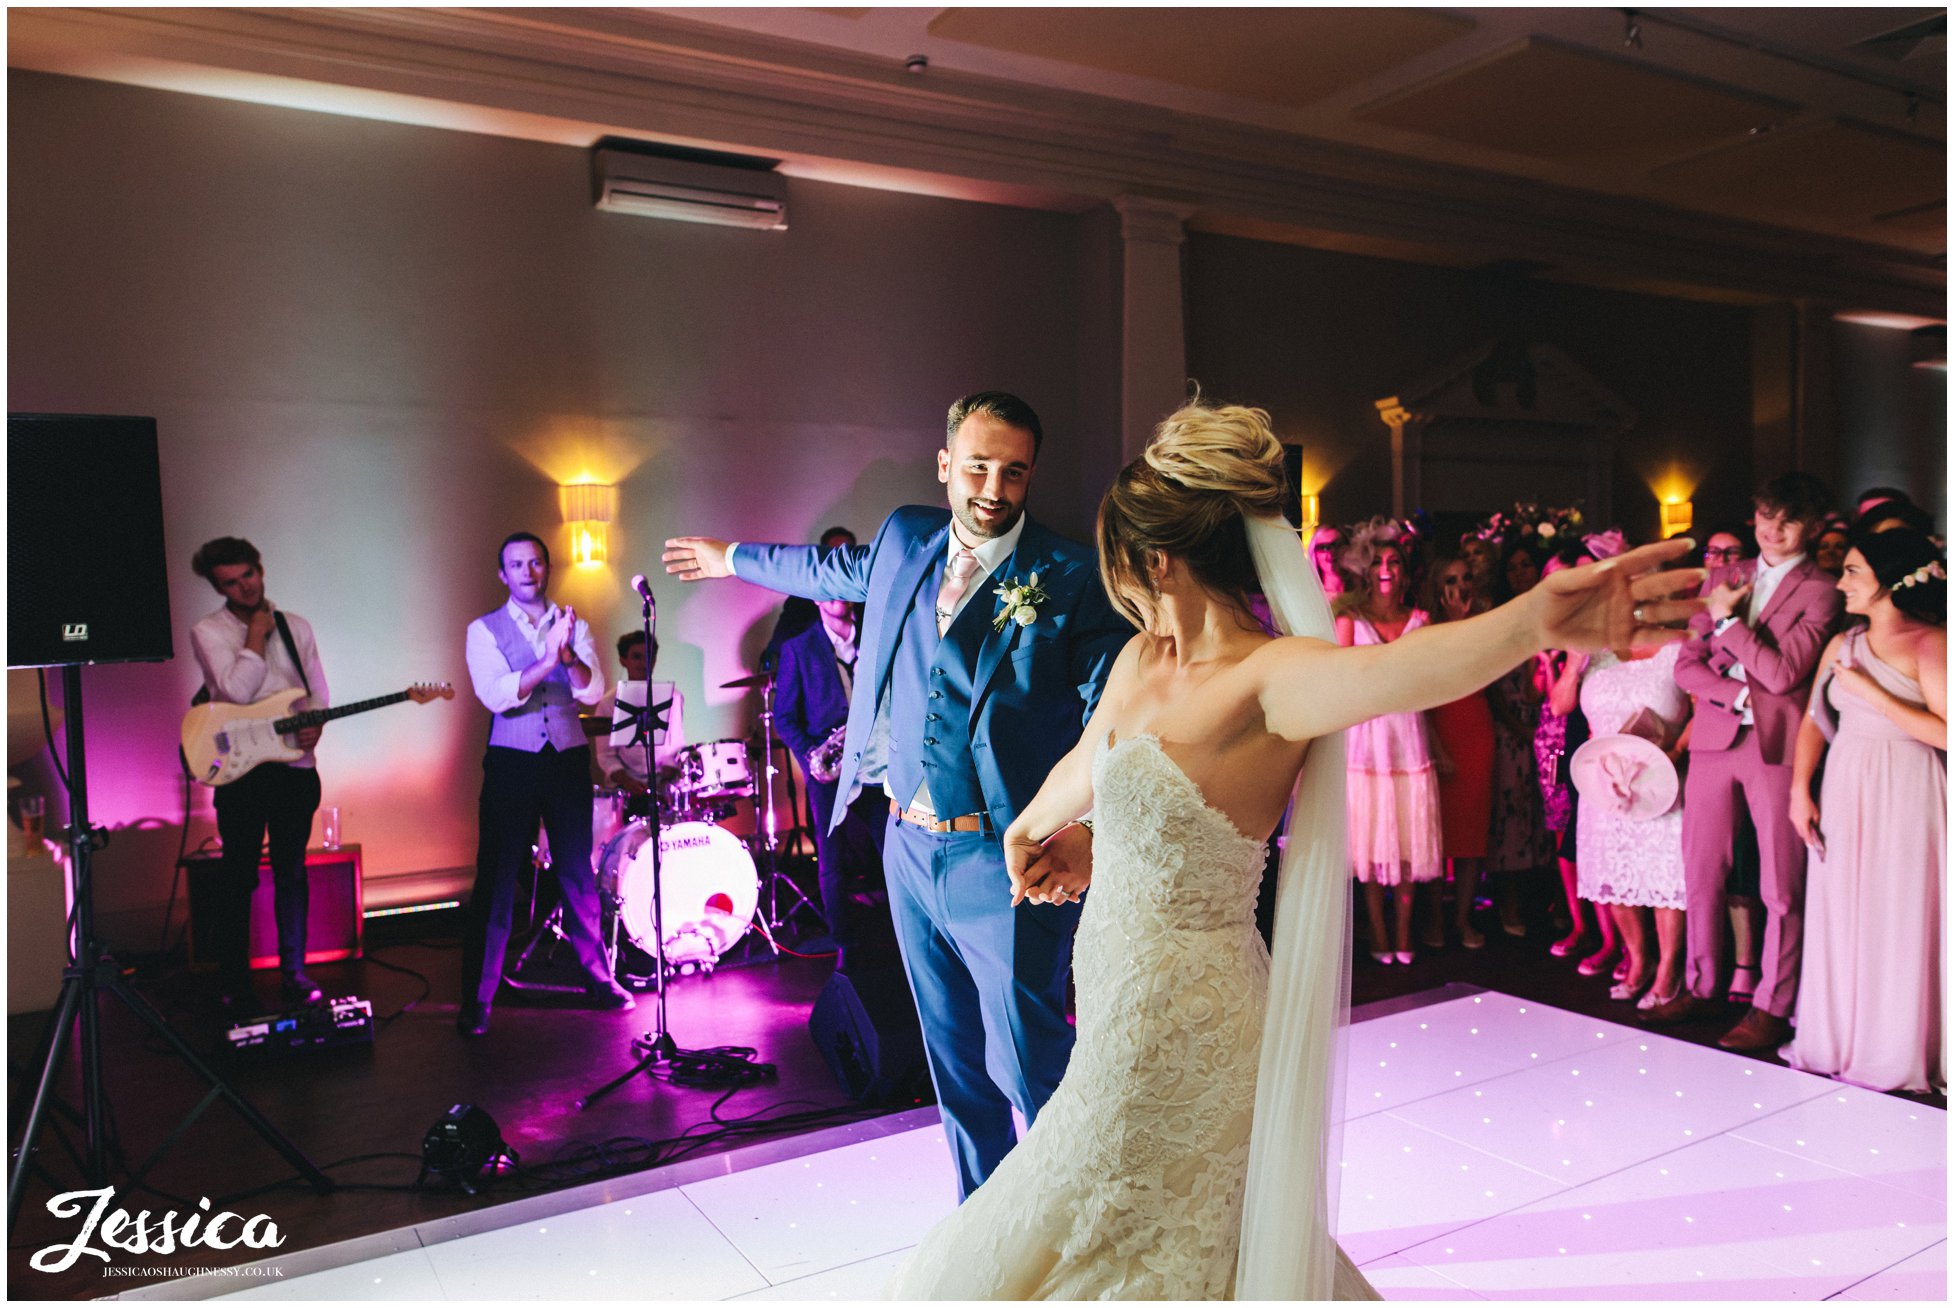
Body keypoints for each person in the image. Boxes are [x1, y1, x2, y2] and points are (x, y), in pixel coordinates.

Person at [888, 401, 1704, 1299]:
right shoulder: (1139, 662)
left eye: (1118, 561)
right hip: (1114, 1007)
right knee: (1105, 1214)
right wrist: (1036, 829)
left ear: (1153, 557)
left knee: (1135, 1224)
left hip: (1192, 1024)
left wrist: (1533, 623)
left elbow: (1405, 670)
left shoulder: (1271, 677)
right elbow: (1093, 762)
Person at [664, 391, 1130, 1199]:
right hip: (907, 847)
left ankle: (1073, 1233)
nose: (994, 488)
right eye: (978, 467)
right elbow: (821, 570)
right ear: (946, 465)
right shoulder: (906, 538)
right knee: (953, 1065)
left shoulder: (1068, 575)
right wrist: (729, 556)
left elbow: (1113, 713)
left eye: (1013, 472)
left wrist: (1085, 824)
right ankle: (985, 1232)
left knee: (1030, 1063)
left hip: (1008, 855)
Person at [1650, 473, 1843, 1049]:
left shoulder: (1823, 589)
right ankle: (1702, 984)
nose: (1771, 530)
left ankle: (1772, 1004)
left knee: (1781, 884)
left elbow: (1786, 675)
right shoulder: (1726, 577)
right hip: (1716, 734)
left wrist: (1730, 624)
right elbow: (1686, 665)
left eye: (1785, 521)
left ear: (1809, 528)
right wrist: (1734, 694)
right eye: (1764, 516)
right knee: (1700, 869)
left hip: (1777, 747)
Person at [1783, 531, 1945, 1093]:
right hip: (1845, 786)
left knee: (1899, 911)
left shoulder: (1932, 643)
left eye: (1853, 571)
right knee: (1844, 906)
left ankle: (1895, 1046)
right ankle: (1841, 1036)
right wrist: (1799, 789)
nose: (1841, 581)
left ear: (1891, 579)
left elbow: (1947, 733)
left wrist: (1875, 695)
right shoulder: (1841, 644)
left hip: (1907, 788)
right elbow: (1811, 721)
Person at [459, 532, 635, 1037]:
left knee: (578, 874)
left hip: (566, 758)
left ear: (547, 567)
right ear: (503, 574)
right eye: (517, 565)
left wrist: (570, 655)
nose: (528, 572)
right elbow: (496, 695)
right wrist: (547, 662)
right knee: (496, 878)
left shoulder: (571, 622)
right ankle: (478, 999)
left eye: (536, 563)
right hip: (512, 762)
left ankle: (599, 980)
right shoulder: (483, 630)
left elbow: (593, 688)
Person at [188, 537, 328, 1009]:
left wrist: (317, 725)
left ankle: (295, 973)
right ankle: (235, 983)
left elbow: (316, 687)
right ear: (218, 586)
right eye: (230, 582)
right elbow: (235, 693)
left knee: (292, 870)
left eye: (248, 574)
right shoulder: (208, 631)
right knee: (239, 875)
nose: (244, 587)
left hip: (293, 765)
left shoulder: (298, 627)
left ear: (259, 569)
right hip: (242, 770)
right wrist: (254, 637)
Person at [1336, 519, 1442, 964]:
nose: (1385, 569)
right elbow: (1339, 682)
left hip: (1409, 737)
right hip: (1365, 739)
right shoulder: (1349, 619)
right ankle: (1379, 933)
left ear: (1404, 570)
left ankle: (1403, 933)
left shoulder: (1422, 620)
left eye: (1393, 561)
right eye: (1377, 561)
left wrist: (1440, 746)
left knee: (1405, 845)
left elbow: (1434, 689)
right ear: (1365, 568)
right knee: (1372, 841)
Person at [1572, 629, 1692, 1010]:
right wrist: (1573, 665)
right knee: (1613, 872)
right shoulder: (1595, 649)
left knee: (1664, 876)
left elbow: (1705, 707)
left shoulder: (1680, 645)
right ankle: (1639, 960)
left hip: (1658, 775)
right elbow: (1559, 705)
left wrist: (1675, 749)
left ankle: (1669, 969)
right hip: (1603, 781)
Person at [774, 594, 887, 967]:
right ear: (816, 597)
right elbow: (785, 717)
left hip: (877, 763)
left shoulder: (877, 634)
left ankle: (905, 936)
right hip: (830, 768)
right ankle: (845, 945)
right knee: (831, 861)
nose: (836, 596)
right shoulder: (798, 648)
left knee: (897, 852)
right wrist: (813, 756)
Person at [1421, 548, 1494, 949]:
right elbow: (1429, 689)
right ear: (1437, 586)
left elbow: (1482, 674)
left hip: (1476, 730)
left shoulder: (1484, 624)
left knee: (1470, 839)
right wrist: (1434, 747)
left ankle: (1464, 919)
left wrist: (1465, 623)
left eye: (1465, 578)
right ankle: (1434, 919)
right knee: (1436, 836)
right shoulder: (1426, 626)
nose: (1460, 586)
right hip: (1439, 727)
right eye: (1450, 580)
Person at [590, 630, 687, 793]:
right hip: (624, 787)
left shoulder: (674, 697)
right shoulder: (608, 703)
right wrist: (628, 782)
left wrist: (666, 776)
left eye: (649, 656)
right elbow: (605, 755)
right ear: (623, 660)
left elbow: (676, 746)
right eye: (636, 657)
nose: (643, 663)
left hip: (662, 785)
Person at [762, 526, 857, 667]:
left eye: (846, 555)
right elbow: (778, 648)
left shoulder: (868, 599)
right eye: (834, 554)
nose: (840, 563)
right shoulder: (801, 601)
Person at [1308, 523, 1348, 601]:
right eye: (1323, 547)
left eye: (1337, 545)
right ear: (1314, 553)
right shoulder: (1309, 596)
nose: (1331, 552)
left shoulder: (1363, 594)